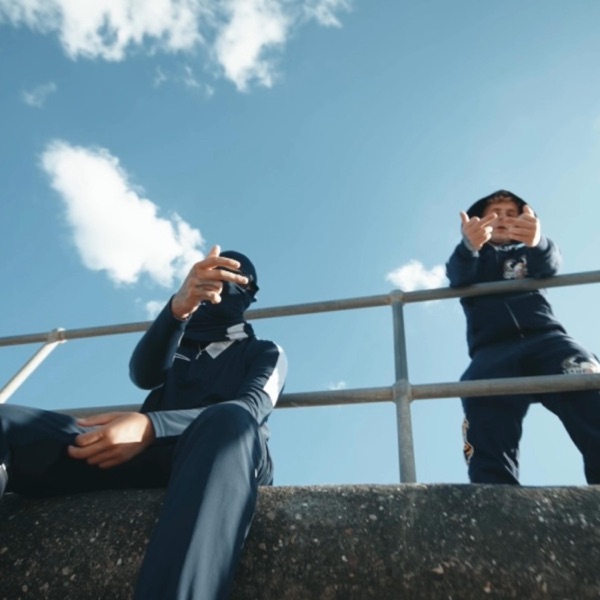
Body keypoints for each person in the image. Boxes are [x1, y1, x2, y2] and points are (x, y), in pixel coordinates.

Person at [0, 245, 288, 599]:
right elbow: (144, 374)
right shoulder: (177, 342)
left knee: (228, 419)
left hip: (224, 456)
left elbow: (251, 408)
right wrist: (178, 309)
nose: (220, 283)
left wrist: (152, 426)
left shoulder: (264, 351)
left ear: (249, 294)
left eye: (232, 277)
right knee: (5, 423)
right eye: (211, 272)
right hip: (146, 452)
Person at [446, 190, 600, 484]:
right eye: (494, 213)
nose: (503, 218)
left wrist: (537, 241)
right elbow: (457, 276)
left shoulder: (530, 252)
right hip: (492, 350)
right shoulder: (472, 259)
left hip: (547, 339)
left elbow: (550, 264)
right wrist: (468, 247)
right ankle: (493, 496)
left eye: (511, 213)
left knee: (588, 384)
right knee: (483, 405)